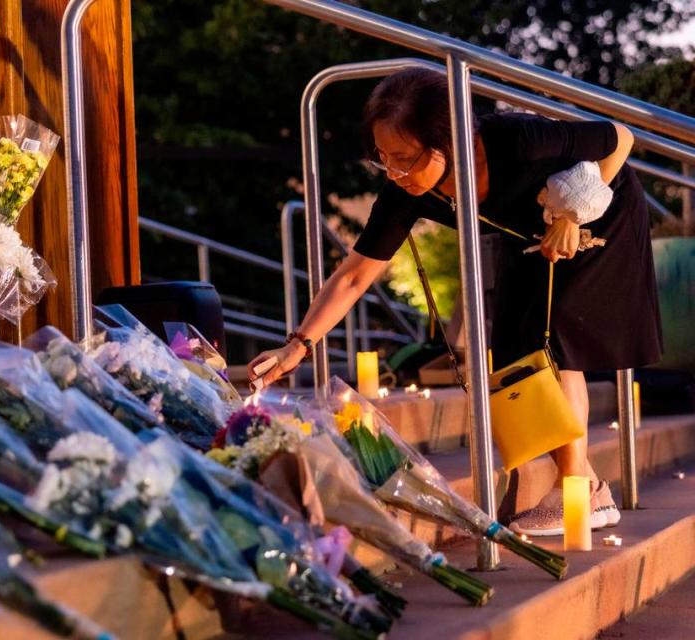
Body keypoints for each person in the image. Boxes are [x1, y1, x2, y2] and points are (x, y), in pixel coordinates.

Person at [247, 68, 662, 537]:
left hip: (599, 214)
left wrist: (574, 211)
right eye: (384, 159)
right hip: (528, 231)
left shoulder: (518, 139)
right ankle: (583, 484)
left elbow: (619, 139)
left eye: (405, 158)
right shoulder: (405, 191)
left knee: (555, 338)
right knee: (515, 346)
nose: (396, 172)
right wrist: (297, 346)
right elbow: (354, 275)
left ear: (448, 140)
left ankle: (579, 489)